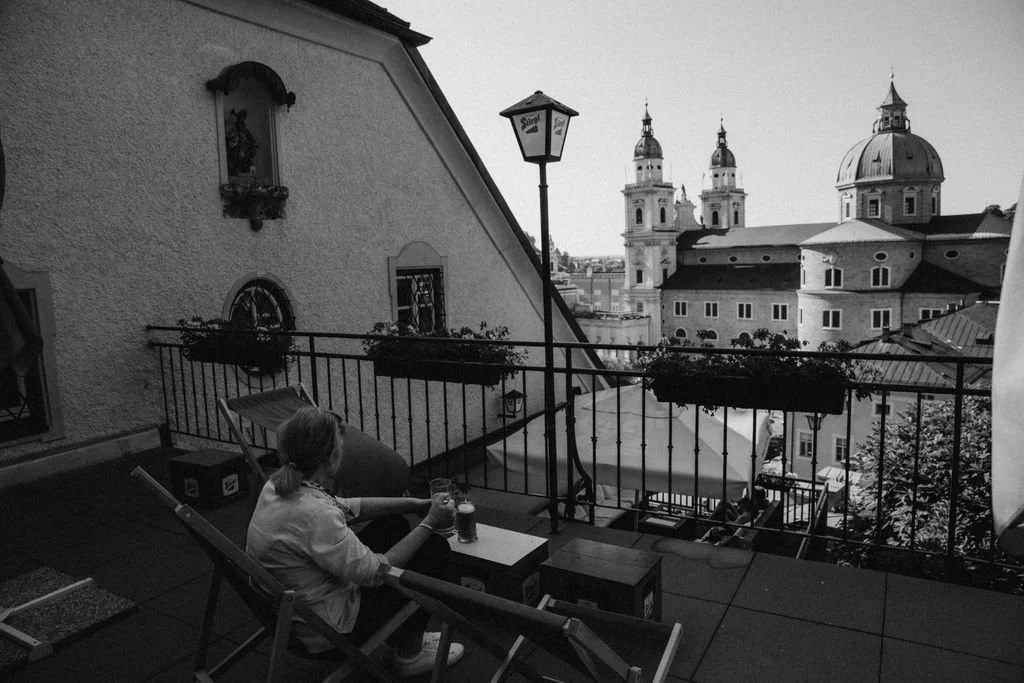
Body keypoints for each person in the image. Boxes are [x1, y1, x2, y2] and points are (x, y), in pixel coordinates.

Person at [246, 406, 463, 678]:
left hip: (295, 612)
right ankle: (409, 655)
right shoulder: (316, 515)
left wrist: (414, 504)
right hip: (327, 631)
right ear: (331, 457)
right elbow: (375, 573)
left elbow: (346, 506)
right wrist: (430, 521)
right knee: (433, 550)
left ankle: (408, 635)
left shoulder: (278, 486)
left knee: (392, 525)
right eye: (340, 444)